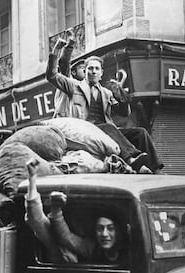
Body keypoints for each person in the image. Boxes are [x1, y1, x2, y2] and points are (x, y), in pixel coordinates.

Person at [46, 38, 163, 173]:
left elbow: (124, 113)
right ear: (85, 72)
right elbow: (52, 75)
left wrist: (121, 95)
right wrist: (56, 50)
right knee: (107, 127)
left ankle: (155, 168)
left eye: (97, 69)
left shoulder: (107, 93)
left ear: (101, 73)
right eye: (90, 69)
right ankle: (132, 160)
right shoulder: (73, 86)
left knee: (140, 132)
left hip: (107, 132)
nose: (93, 71)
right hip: (85, 131)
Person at [25, 158, 126, 265]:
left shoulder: (129, 250)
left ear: (118, 231)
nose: (104, 234)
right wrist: (32, 178)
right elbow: (65, 236)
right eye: (100, 229)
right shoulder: (91, 249)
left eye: (110, 228)